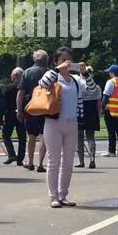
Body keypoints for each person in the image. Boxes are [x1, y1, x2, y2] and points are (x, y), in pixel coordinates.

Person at [38, 47, 83, 208]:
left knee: (68, 162)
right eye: (62, 59)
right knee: (54, 160)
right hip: (54, 122)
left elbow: (91, 90)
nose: (66, 62)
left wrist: (85, 73)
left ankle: (63, 194)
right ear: (56, 62)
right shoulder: (53, 76)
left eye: (68, 59)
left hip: (72, 123)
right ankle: (53, 196)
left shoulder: (76, 80)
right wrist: (57, 70)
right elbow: (42, 84)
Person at [18, 49, 50, 173]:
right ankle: (41, 163)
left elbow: (20, 93)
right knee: (44, 135)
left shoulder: (27, 72)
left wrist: (19, 110)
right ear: (46, 60)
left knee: (31, 135)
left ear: (34, 59)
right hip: (47, 107)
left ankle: (30, 161)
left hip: (31, 107)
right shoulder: (51, 72)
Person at [76, 64, 102, 170]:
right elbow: (98, 103)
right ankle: (92, 160)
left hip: (81, 112)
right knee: (91, 137)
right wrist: (99, 114)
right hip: (92, 113)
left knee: (79, 138)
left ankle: (81, 161)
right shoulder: (97, 88)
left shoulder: (79, 86)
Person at [1, 66, 25, 164]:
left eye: (12, 76)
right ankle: (20, 159)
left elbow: (2, 103)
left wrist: (0, 115)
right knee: (22, 137)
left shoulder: (7, 88)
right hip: (22, 113)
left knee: (6, 135)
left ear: (15, 75)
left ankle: (11, 154)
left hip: (9, 114)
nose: (11, 78)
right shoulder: (26, 88)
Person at [101, 64, 118, 157]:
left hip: (110, 110)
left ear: (112, 73)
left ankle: (111, 151)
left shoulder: (111, 82)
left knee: (111, 131)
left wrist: (102, 109)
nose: (109, 73)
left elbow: (106, 96)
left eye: (109, 72)